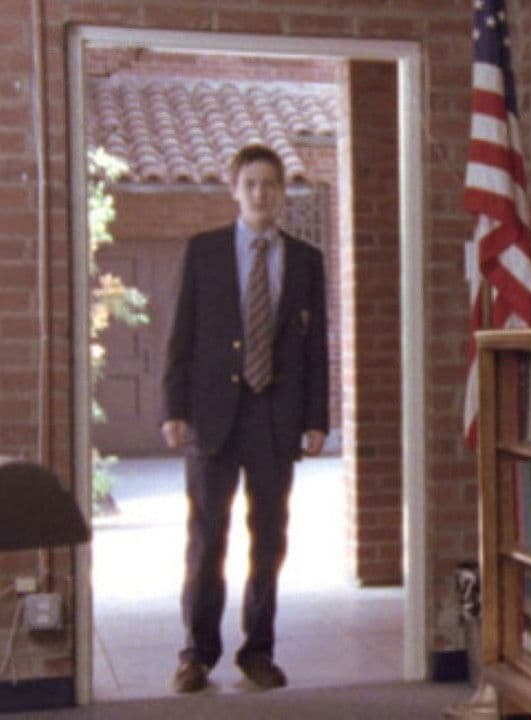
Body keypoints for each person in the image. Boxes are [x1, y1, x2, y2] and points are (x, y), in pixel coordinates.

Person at [161, 143, 329, 694]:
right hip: (213, 417)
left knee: (269, 539)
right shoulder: (204, 252)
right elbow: (180, 335)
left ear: (283, 193)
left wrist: (316, 418)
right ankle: (197, 653)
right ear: (235, 190)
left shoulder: (305, 261)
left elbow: (315, 349)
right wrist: (174, 408)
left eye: (271, 185)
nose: (261, 194)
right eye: (251, 184)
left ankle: (258, 651)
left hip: (275, 418)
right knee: (207, 536)